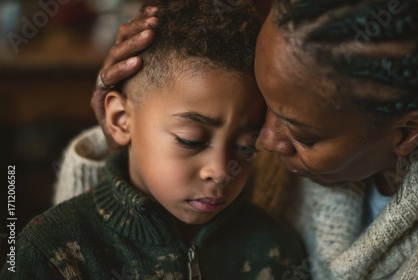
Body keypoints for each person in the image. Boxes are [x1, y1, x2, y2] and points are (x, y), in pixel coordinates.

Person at [55, 0, 418, 279]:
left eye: (300, 132)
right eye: (265, 105)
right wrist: (128, 139)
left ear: (408, 132)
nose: (263, 142)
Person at [1, 1, 306, 279]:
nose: (221, 170)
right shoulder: (54, 251)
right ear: (121, 120)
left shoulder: (275, 249)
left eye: (246, 146)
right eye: (191, 140)